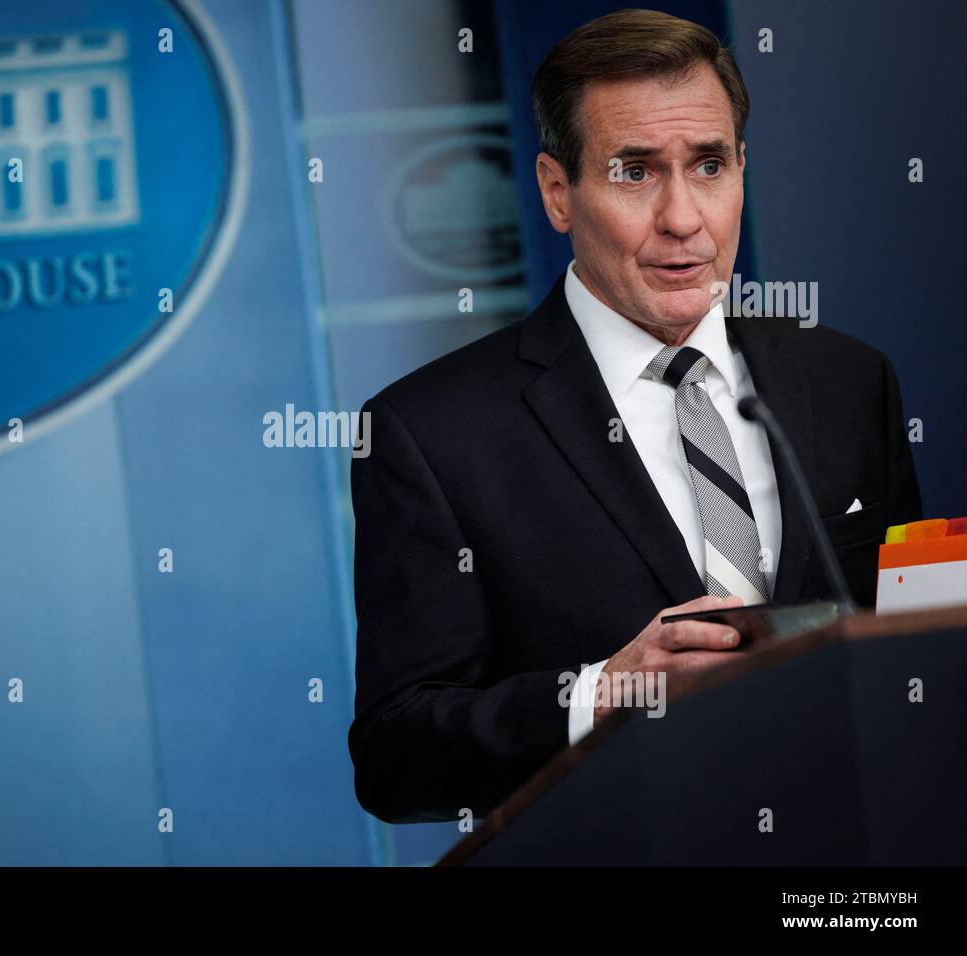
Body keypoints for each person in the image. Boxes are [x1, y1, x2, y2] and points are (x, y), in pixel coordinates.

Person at [348, 9, 921, 824]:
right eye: (635, 172)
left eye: (710, 166)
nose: (683, 219)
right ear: (557, 192)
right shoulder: (432, 434)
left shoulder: (849, 380)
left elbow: (907, 656)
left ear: (743, 170)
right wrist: (601, 694)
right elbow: (395, 759)